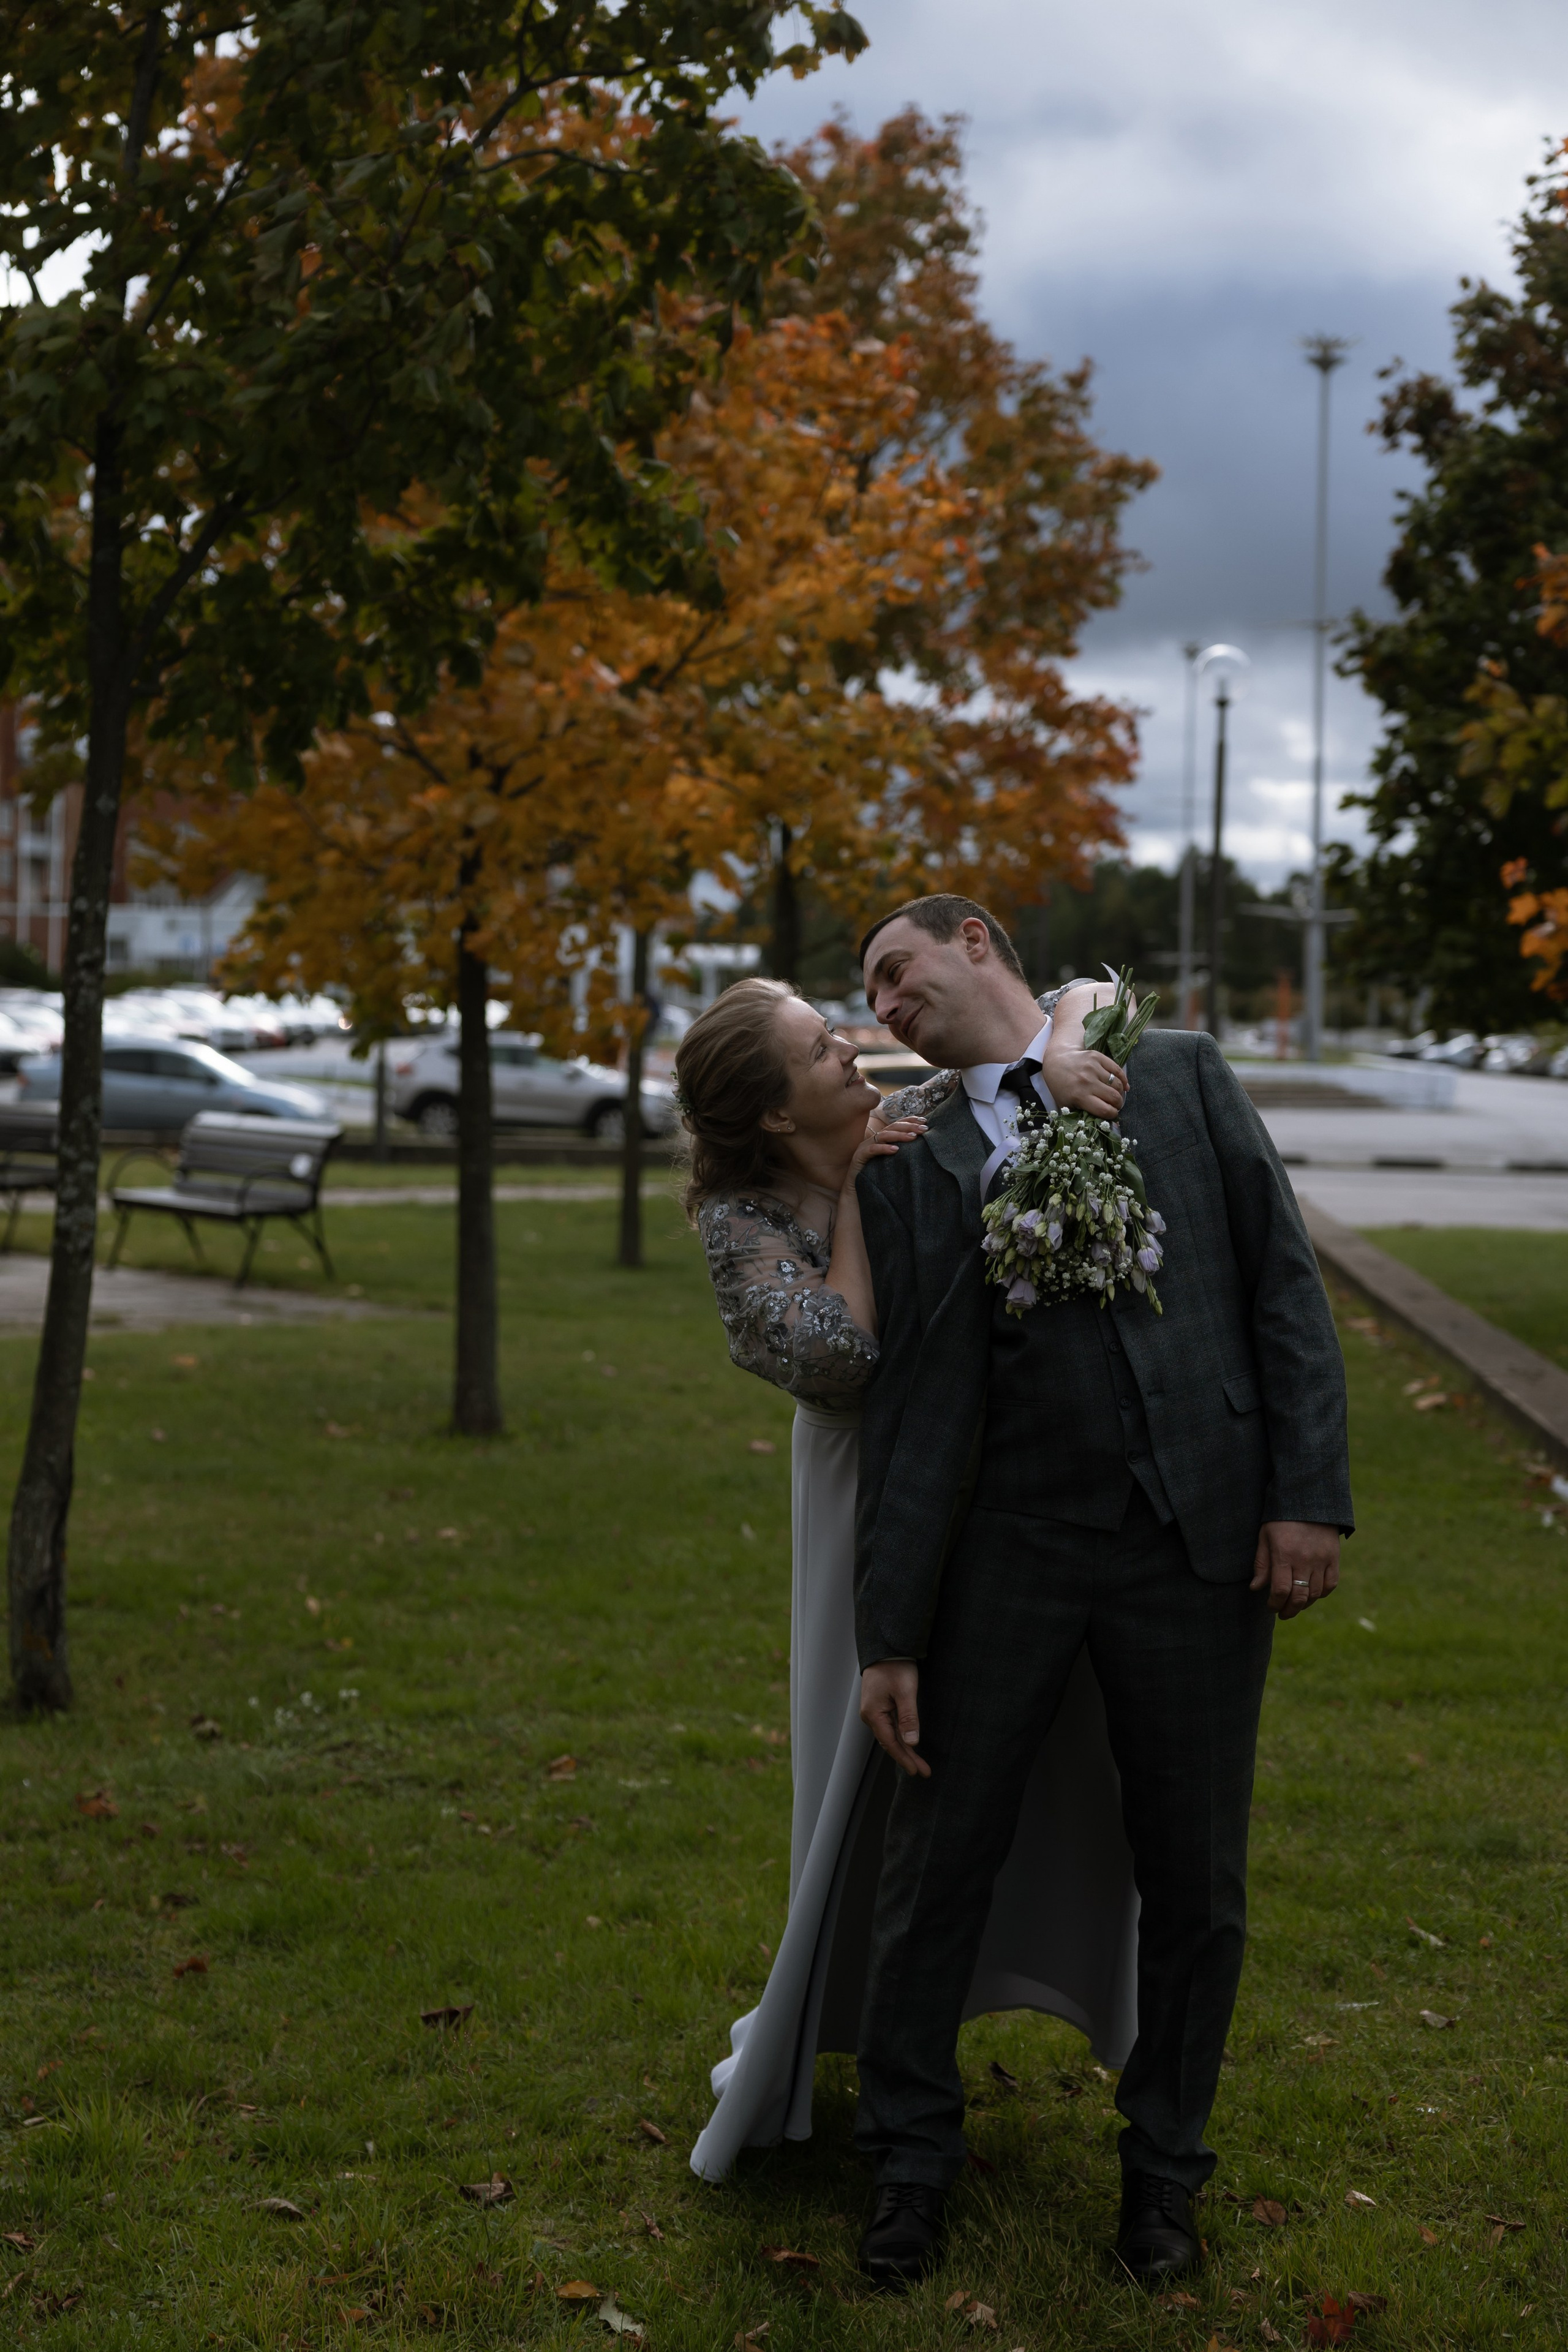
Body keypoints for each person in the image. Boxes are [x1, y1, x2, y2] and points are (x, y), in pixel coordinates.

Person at [850, 894, 1354, 2290]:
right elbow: (912, 1409)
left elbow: (1280, 1283)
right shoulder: (909, 1154)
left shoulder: (1178, 1071)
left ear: (975, 940)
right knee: (933, 1863)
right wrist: (888, 1628)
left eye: (899, 973)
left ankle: (1163, 2178)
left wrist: (1302, 1491)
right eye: (871, 998)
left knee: (1195, 1876)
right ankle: (903, 2162)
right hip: (1004, 1546)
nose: (888, 1007)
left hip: (1191, 1537)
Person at [676, 972, 1141, 2185]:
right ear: (774, 1115)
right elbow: (837, 1358)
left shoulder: (928, 1111)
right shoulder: (744, 1215)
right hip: (856, 1493)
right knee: (860, 1766)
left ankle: (1007, 1972)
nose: (847, 1045)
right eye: (817, 1045)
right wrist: (855, 1211)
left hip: (985, 1483)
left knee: (1001, 1751)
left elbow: (1070, 1005)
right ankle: (828, 2028)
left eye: (837, 1030)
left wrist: (1080, 1026)